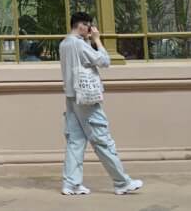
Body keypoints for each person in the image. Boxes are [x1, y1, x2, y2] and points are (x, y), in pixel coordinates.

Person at [60, 12, 144, 196]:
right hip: (86, 98)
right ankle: (122, 182)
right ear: (80, 25)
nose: (90, 28)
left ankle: (71, 183)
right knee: (102, 139)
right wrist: (97, 41)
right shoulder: (78, 43)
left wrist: (89, 42)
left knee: (75, 141)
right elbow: (104, 61)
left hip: (72, 97)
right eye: (87, 24)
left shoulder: (65, 43)